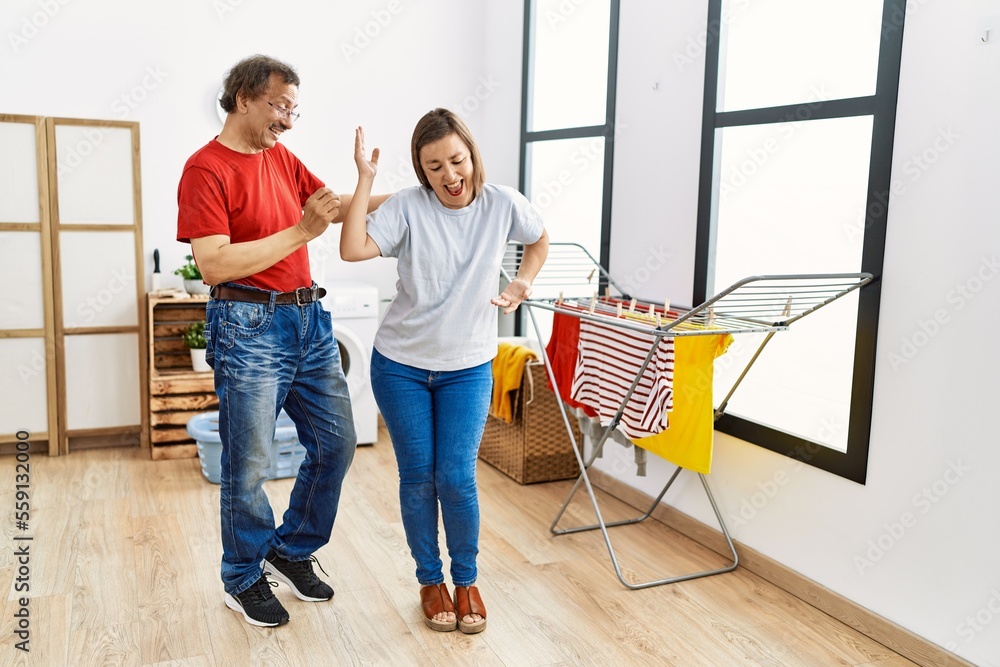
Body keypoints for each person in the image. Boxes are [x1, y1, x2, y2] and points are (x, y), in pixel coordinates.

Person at [176, 54, 387, 628]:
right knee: (248, 466)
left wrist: (416, 196)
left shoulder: (280, 158)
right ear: (244, 97)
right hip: (248, 328)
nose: (289, 122)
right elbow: (215, 263)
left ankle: (289, 549)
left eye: (295, 111)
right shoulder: (206, 169)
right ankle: (242, 575)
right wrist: (300, 231)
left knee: (337, 444)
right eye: (280, 107)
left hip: (307, 322)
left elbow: (333, 207)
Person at [340, 108, 549, 634]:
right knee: (418, 477)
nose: (450, 176)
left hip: (468, 366)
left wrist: (522, 282)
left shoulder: (502, 204)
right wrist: (366, 180)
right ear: (421, 169)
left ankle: (467, 581)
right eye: (434, 167)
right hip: (401, 366)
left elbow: (539, 237)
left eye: (457, 160)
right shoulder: (409, 207)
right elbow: (351, 248)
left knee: (455, 477)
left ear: (472, 155)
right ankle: (429, 582)